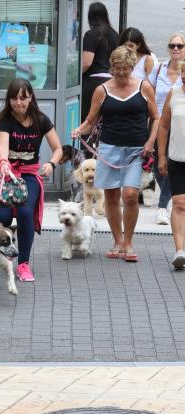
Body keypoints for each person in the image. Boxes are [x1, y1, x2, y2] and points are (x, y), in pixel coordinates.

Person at [72, 46, 158, 263]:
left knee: (129, 195)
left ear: (132, 67)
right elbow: (91, 120)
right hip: (109, 148)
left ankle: (128, 241)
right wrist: (79, 130)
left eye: (125, 69)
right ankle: (117, 240)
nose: (121, 73)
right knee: (110, 195)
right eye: (117, 69)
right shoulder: (102, 90)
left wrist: (150, 142)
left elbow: (156, 118)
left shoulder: (144, 87)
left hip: (135, 150)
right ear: (111, 67)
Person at [0, 79, 62, 282]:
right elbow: (3, 146)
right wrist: (3, 162)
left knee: (25, 211)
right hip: (4, 171)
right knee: (2, 216)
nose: (18, 102)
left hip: (28, 173)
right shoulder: (5, 119)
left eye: (23, 97)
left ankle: (23, 264)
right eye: (14, 98)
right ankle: (0, 258)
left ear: (30, 97)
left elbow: (58, 148)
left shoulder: (41, 120)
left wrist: (51, 164)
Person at [148, 33, 184, 225]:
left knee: (170, 163)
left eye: (180, 45)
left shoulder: (184, 71)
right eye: (172, 45)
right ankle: (169, 196)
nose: (176, 49)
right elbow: (148, 92)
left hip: (178, 124)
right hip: (158, 122)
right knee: (157, 162)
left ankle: (162, 207)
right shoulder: (158, 68)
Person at [157, 62, 185, 270]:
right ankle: (180, 251)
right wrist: (161, 156)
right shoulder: (174, 94)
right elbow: (163, 125)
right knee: (179, 204)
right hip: (177, 158)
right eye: (183, 72)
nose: (183, 76)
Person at [81, 2, 119, 124]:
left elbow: (87, 62)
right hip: (111, 82)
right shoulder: (115, 34)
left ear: (90, 17)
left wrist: (75, 77)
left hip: (93, 83)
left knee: (89, 120)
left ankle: (86, 143)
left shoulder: (90, 34)